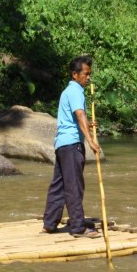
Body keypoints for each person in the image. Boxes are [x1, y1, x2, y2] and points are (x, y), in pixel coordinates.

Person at [42, 55, 103, 238]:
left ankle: (50, 223)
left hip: (62, 144)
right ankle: (78, 227)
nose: (88, 77)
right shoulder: (75, 91)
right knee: (74, 185)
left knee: (59, 185)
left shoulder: (68, 91)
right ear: (75, 74)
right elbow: (79, 115)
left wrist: (88, 125)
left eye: (90, 74)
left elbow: (74, 118)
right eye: (86, 74)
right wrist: (91, 140)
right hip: (71, 145)